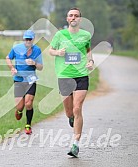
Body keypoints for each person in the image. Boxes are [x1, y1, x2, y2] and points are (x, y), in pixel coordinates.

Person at [49, 7, 94, 157]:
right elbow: (50, 50)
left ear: (80, 19)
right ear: (67, 19)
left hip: (81, 75)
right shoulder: (60, 35)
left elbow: (87, 50)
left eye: (76, 15)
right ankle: (71, 119)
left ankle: (76, 143)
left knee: (77, 108)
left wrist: (90, 61)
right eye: (71, 16)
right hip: (64, 75)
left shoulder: (86, 35)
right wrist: (58, 52)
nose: (73, 17)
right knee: (69, 112)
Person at [6, 30, 43, 135]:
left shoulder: (37, 50)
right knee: (20, 106)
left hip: (31, 80)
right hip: (19, 80)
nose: (28, 41)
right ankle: (19, 111)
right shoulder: (17, 48)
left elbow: (41, 67)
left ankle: (28, 125)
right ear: (24, 39)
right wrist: (12, 68)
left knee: (29, 103)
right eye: (26, 39)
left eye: (30, 39)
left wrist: (35, 63)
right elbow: (8, 58)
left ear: (33, 40)